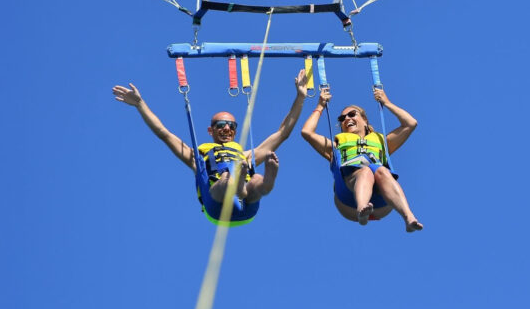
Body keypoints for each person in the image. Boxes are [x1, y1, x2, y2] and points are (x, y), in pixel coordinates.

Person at [112, 69, 309, 223]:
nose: (226, 129)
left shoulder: (247, 155)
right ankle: (237, 180)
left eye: (231, 126)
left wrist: (300, 97)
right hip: (216, 204)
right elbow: (164, 133)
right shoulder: (198, 156)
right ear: (211, 130)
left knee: (257, 178)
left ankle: (264, 179)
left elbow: (283, 132)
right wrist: (140, 104)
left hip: (248, 207)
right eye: (220, 125)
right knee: (226, 179)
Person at [301, 87, 423, 232]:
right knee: (365, 171)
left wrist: (386, 102)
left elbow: (411, 123)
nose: (347, 119)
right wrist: (320, 106)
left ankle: (409, 218)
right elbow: (306, 132)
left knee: (382, 171)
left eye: (352, 114)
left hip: (382, 202)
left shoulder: (382, 142)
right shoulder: (336, 146)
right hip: (348, 200)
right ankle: (362, 209)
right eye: (342, 118)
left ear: (364, 120)